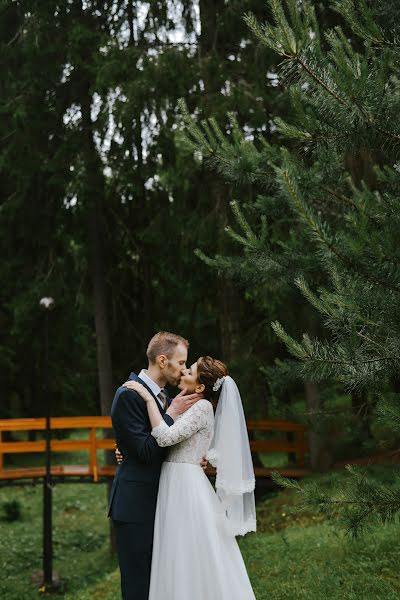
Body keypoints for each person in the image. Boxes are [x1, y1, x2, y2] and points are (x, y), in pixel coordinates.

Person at [122, 355, 257, 600]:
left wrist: (145, 397)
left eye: (190, 371)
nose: (183, 372)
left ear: (201, 386)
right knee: (175, 548)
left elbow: (164, 437)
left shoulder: (203, 407)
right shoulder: (187, 403)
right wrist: (126, 450)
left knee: (188, 546)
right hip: (174, 478)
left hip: (184, 483)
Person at [108, 331, 205, 600]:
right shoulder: (128, 396)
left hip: (164, 504)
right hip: (136, 507)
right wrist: (171, 415)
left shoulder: (168, 398)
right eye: (182, 362)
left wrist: (195, 455)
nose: (184, 369)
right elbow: (147, 453)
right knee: (139, 588)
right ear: (163, 361)